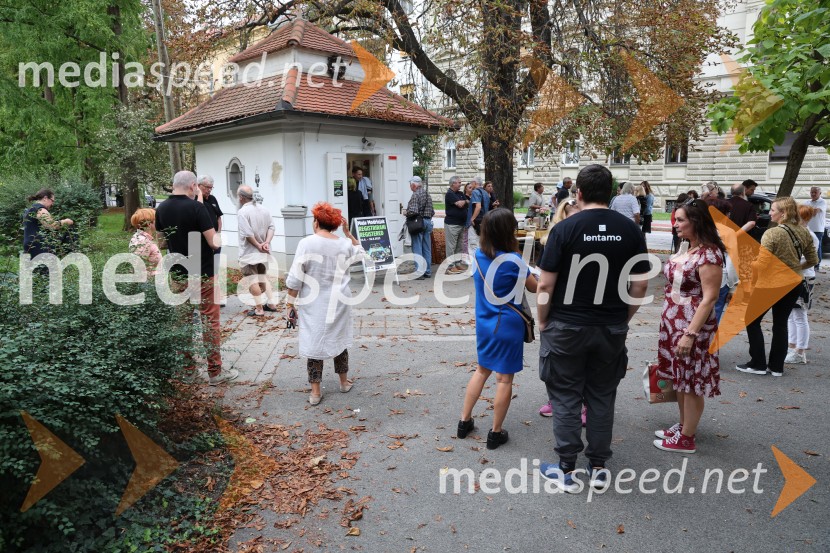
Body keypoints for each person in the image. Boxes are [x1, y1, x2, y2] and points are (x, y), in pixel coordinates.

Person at [536, 164, 650, 492]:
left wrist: (543, 319)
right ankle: (598, 467)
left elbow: (545, 284)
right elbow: (640, 286)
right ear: (611, 192)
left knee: (565, 395)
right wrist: (623, 318)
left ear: (580, 192)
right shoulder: (630, 230)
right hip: (610, 326)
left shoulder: (564, 229)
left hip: (566, 325)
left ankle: (566, 469)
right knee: (602, 396)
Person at [457, 208, 538, 449]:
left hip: (484, 322)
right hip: (507, 324)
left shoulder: (478, 256)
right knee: (504, 379)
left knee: (482, 370)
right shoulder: (514, 260)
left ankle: (464, 421)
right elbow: (534, 287)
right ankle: (495, 432)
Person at [653, 198, 725, 454]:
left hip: (692, 327)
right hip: (674, 324)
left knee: (692, 381)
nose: (675, 224)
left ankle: (686, 438)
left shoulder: (709, 254)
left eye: (680, 220)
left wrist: (690, 334)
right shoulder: (689, 247)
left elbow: (710, 298)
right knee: (680, 378)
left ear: (696, 221)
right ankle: (684, 426)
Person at [156, 171, 236, 385]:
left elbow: (161, 242)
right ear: (193, 186)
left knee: (182, 323)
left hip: (178, 275)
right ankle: (215, 373)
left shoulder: (161, 209)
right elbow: (213, 243)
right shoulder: (197, 208)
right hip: (203, 274)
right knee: (210, 322)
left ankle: (188, 371)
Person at [285, 202, 362, 405]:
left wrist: (289, 304)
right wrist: (348, 233)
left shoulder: (307, 244)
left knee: (314, 343)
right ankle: (343, 383)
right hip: (340, 301)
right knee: (339, 340)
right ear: (335, 225)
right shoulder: (344, 244)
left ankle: (316, 392)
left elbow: (295, 278)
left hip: (315, 303)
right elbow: (360, 252)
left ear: (316, 222)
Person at [736, 197, 818, 377]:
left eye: (773, 210)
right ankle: (776, 367)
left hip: (770, 285)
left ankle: (757, 364)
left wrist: (750, 264)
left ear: (783, 213)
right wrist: (795, 268)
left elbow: (762, 264)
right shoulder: (803, 231)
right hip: (793, 283)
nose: (770, 213)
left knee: (752, 321)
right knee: (780, 324)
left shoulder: (772, 233)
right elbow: (813, 259)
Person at [537, 197, 586, 424]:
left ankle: (583, 403)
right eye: (569, 214)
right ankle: (555, 399)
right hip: (557, 305)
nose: (574, 217)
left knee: (581, 360)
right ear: (561, 215)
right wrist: (542, 316)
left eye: (577, 213)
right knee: (554, 359)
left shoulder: (587, 236)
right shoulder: (553, 238)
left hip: (579, 305)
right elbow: (545, 280)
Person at [785, 204, 820, 365]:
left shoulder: (809, 236)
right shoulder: (799, 233)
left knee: (799, 314)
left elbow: (808, 259)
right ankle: (792, 347)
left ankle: (800, 351)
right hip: (794, 276)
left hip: (804, 278)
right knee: (791, 314)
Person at [237, 185, 279, 317]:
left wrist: (258, 245)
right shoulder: (264, 209)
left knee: (252, 280)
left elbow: (247, 234)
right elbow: (272, 227)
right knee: (263, 277)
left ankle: (259, 309)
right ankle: (271, 304)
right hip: (264, 252)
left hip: (249, 254)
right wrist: (266, 243)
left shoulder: (242, 212)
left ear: (241, 197)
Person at [22, 188, 74, 258]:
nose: (52, 204)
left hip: (29, 245)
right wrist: (65, 222)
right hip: (39, 247)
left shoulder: (29, 210)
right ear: (45, 198)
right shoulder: (40, 209)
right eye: (52, 201)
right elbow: (51, 225)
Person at [198, 174, 225, 304]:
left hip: (215, 240)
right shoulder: (196, 201)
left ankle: (217, 296)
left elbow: (218, 217)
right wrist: (199, 195)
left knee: (215, 269)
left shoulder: (213, 199)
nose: (209, 190)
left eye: (211, 187)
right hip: (203, 243)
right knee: (204, 270)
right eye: (207, 187)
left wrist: (218, 233)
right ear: (198, 186)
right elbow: (198, 210)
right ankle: (204, 298)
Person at [405, 176, 435, 279]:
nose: (410, 187)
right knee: (427, 248)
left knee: (417, 247)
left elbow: (413, 211)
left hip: (418, 223)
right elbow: (432, 212)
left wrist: (406, 212)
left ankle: (419, 272)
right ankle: (427, 271)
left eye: (410, 185)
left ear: (414, 185)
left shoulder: (415, 195)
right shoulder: (427, 194)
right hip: (428, 222)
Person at [443, 176, 468, 274]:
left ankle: (457, 264)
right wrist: (465, 202)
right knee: (451, 247)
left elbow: (468, 202)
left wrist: (464, 201)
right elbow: (460, 204)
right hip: (452, 224)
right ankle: (449, 267)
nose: (460, 184)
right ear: (453, 183)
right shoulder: (450, 194)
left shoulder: (460, 193)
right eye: (459, 182)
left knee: (459, 246)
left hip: (461, 224)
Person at [129, 208, 162, 276]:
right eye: (156, 220)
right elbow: (138, 267)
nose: (158, 222)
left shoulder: (139, 237)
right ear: (149, 224)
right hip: (150, 280)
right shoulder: (143, 241)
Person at [805, 186, 825, 270]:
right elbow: (801, 211)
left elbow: (814, 213)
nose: (813, 194)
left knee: (816, 247)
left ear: (820, 193)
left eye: (815, 192)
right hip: (807, 229)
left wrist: (807, 211)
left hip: (817, 229)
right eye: (811, 192)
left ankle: (817, 264)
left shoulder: (822, 202)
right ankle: (810, 263)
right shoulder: (807, 202)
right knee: (807, 247)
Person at [467, 177, 488, 256]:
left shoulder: (475, 192)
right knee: (481, 244)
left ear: (475, 183)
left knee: (473, 246)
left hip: (476, 223)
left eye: (471, 182)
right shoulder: (485, 192)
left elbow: (478, 207)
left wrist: (472, 219)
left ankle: (474, 263)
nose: (471, 184)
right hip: (484, 221)